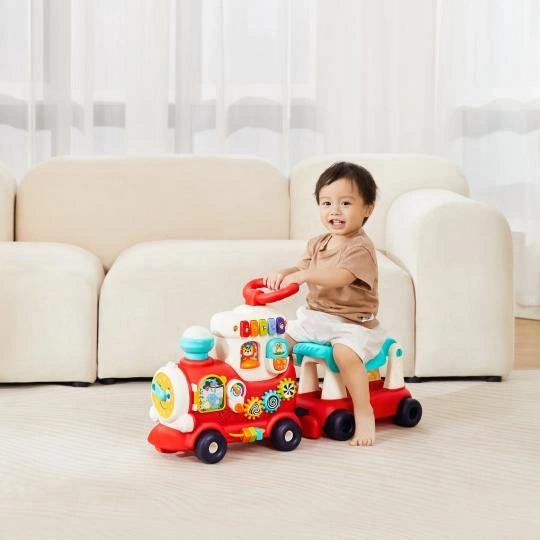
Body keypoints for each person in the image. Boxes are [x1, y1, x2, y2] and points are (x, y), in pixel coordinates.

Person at [263, 161, 386, 446]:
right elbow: (300, 267)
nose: (335, 211)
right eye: (327, 203)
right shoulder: (318, 243)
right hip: (316, 318)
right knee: (277, 344)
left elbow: (340, 277)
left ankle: (363, 411)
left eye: (346, 203)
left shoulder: (360, 247)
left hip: (352, 324)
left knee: (345, 354)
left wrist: (306, 275)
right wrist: (283, 273)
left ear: (367, 209)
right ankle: (279, 399)